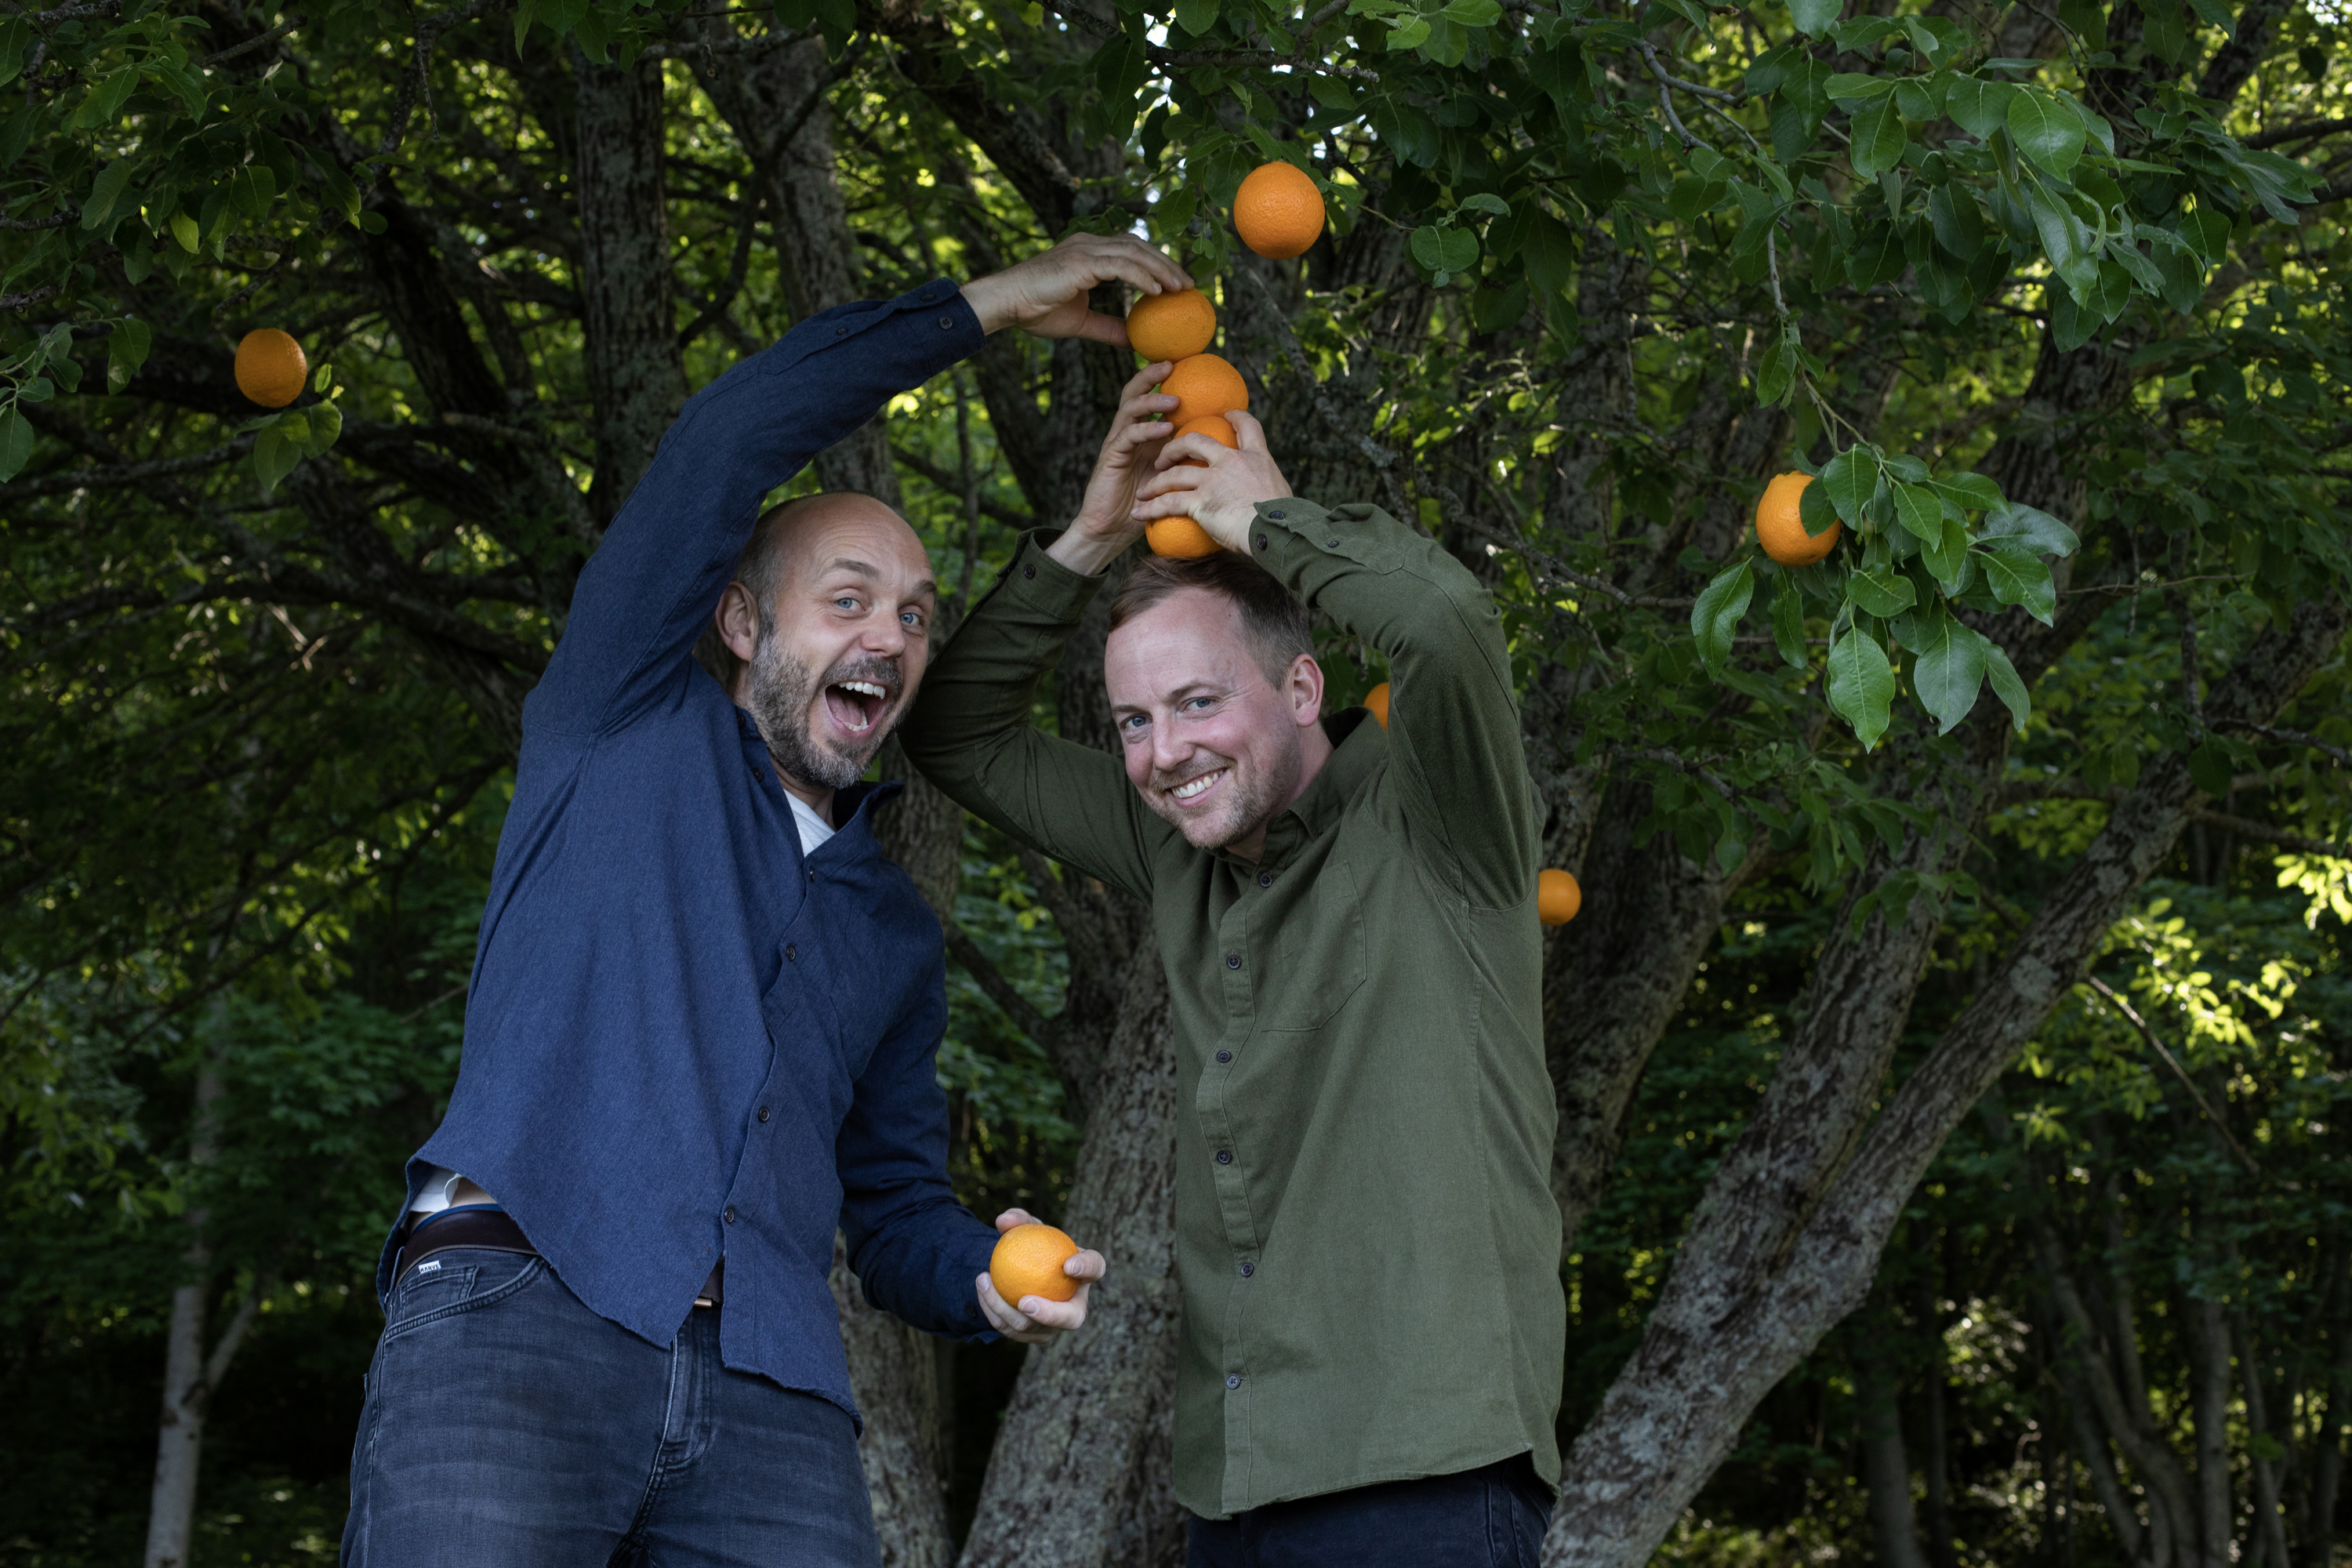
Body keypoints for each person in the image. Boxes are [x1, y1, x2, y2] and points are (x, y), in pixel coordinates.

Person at [340, 234, 1191, 1568]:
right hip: (520, 1316)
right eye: (848, 599)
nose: (890, 636)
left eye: (916, 616)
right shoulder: (621, 718)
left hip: (772, 1401)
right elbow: (728, 439)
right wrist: (986, 308)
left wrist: (981, 1275)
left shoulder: (892, 930)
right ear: (741, 625)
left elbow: (894, 1213)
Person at [899, 370, 1565, 1566]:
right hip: (1235, 1491)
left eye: (1198, 701)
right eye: (1134, 721)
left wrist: (1269, 521)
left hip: (1427, 1473)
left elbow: (1447, 622)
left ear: (1302, 687)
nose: (1165, 752)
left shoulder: (1440, 816)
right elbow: (956, 735)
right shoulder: (1177, 845)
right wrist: (1092, 535)